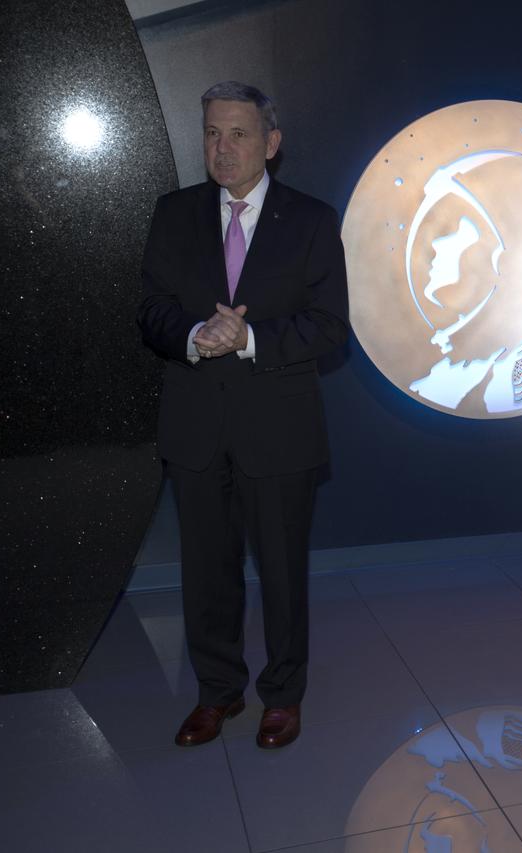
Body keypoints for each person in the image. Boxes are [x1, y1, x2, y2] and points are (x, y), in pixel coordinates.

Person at [137, 81, 349, 749]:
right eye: (211, 133)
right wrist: (197, 333)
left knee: (283, 574)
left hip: (278, 431)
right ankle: (217, 692)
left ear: (272, 143)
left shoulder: (312, 220)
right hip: (196, 427)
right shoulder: (172, 215)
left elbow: (329, 327)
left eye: (238, 133)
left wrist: (250, 338)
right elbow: (151, 311)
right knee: (206, 572)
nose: (222, 148)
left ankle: (282, 696)